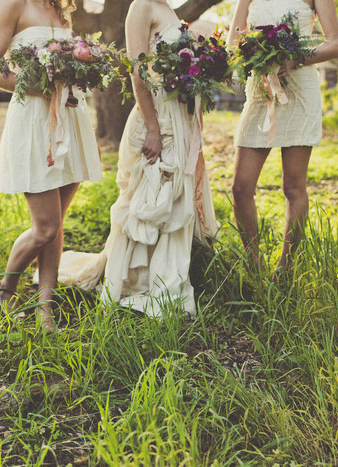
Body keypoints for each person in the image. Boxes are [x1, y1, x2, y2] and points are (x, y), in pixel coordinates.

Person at [43, 0, 217, 317]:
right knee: (152, 193)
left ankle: (165, 277)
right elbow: (138, 71)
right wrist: (152, 128)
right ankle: (139, 280)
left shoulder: (170, 11)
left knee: (176, 196)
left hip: (180, 116)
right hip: (158, 118)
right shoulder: (141, 7)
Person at [0, 0, 103, 330]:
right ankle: (5, 291)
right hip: (34, 120)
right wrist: (38, 85)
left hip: (70, 117)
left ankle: (45, 307)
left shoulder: (60, 9)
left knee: (57, 224)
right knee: (45, 227)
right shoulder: (10, 3)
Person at [228, 0, 338, 271]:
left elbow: (335, 44)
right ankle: (253, 266)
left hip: (300, 91)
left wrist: (294, 59)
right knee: (240, 188)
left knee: (293, 187)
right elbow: (233, 41)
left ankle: (285, 269)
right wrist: (255, 56)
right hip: (260, 91)